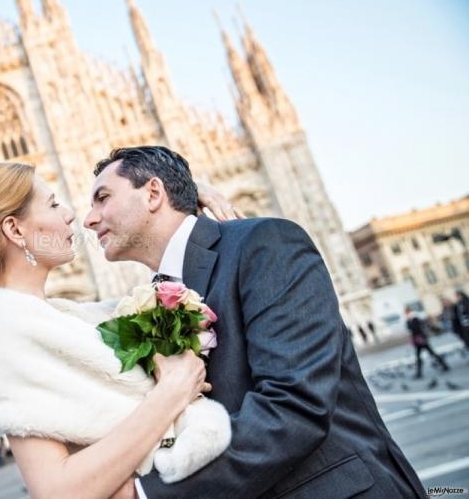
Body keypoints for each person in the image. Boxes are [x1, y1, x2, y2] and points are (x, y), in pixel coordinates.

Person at [82, 146, 426, 497]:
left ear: (154, 193)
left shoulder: (265, 244)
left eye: (102, 198)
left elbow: (295, 406)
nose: (88, 219)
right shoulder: (152, 296)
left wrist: (146, 494)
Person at [0, 163, 236, 498]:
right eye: (53, 204)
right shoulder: (3, 332)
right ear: (15, 229)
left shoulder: (62, 316)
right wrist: (171, 393)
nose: (71, 215)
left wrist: (179, 201)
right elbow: (57, 491)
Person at [406, 307, 450, 379]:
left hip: (421, 340)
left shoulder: (415, 319)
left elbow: (418, 329)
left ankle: (419, 373)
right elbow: (411, 330)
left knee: (429, 354)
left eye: (407, 313)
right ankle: (419, 372)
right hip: (417, 341)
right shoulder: (409, 320)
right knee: (421, 356)